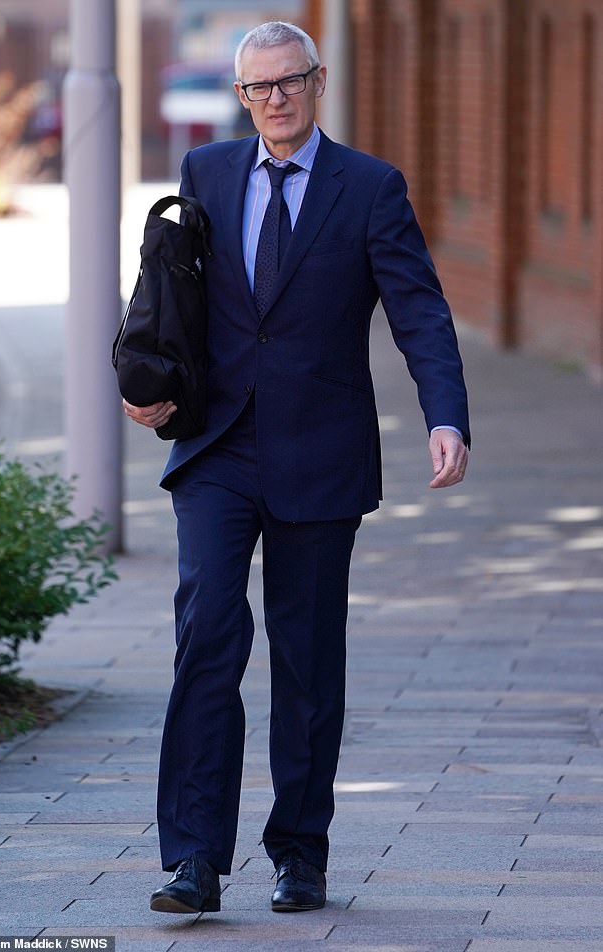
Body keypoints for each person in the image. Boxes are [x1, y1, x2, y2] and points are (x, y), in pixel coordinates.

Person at [124, 20, 470, 915]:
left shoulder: (369, 187)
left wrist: (445, 417)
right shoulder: (207, 174)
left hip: (321, 451)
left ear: (316, 83)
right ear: (240, 97)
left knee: (309, 657)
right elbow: (167, 291)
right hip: (218, 446)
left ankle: (299, 851)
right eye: (255, 88)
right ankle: (195, 857)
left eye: (287, 82)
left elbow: (419, 311)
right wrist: (145, 380)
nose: (271, 99)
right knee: (207, 632)